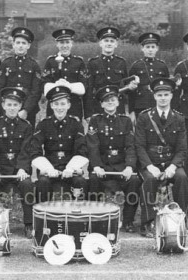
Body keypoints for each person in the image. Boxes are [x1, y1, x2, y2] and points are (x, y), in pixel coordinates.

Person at [135, 78, 188, 238]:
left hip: (171, 162)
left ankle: (181, 218)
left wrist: (173, 167)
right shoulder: (144, 117)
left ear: (172, 96)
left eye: (166, 94)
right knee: (149, 180)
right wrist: (150, 166)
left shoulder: (179, 118)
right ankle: (148, 222)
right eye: (159, 95)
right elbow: (139, 146)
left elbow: (181, 148)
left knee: (182, 177)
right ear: (154, 96)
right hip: (150, 162)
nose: (163, 98)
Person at [86, 85, 140, 233]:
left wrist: (129, 167)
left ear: (118, 102)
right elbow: (93, 146)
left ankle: (128, 221)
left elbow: (130, 146)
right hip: (102, 166)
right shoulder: (95, 121)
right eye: (106, 101)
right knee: (93, 180)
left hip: (121, 166)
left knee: (134, 181)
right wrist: (96, 166)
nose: (110, 103)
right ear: (101, 104)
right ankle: (94, 219)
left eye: (113, 100)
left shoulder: (126, 121)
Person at [0, 87, 34, 239]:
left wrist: (22, 169)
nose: (12, 108)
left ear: (20, 106)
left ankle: (29, 224)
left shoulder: (26, 126)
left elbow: (25, 150)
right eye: (9, 104)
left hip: (17, 170)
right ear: (3, 105)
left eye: (15, 105)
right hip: (1, 169)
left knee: (27, 184)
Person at [31, 85, 88, 203]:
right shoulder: (43, 124)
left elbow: (81, 149)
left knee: (80, 182)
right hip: (51, 168)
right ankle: (43, 216)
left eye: (63, 104)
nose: (59, 108)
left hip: (70, 168)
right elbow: (35, 150)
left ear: (69, 105)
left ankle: (79, 216)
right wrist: (47, 169)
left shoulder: (76, 124)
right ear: (51, 105)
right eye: (56, 104)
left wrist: (71, 168)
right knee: (43, 182)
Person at [85, 27, 137, 119]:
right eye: (106, 41)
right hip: (99, 106)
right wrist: (88, 114)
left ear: (116, 44)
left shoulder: (121, 62)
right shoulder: (93, 63)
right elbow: (89, 90)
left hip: (118, 107)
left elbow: (125, 87)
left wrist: (131, 86)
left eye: (112, 41)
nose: (109, 43)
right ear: (100, 43)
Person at [0, 27, 41, 128]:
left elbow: (36, 91)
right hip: (9, 108)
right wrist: (5, 108)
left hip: (28, 111)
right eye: (18, 43)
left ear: (28, 45)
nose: (20, 46)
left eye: (24, 43)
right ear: (13, 44)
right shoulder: (6, 64)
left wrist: (25, 110)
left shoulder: (34, 66)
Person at [42, 28, 87, 120]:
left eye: (67, 42)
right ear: (57, 44)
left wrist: (69, 86)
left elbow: (84, 85)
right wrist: (56, 85)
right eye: (62, 43)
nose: (65, 45)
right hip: (54, 107)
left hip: (74, 107)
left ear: (71, 43)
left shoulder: (79, 62)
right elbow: (44, 84)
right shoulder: (51, 61)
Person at [129, 32, 169, 124]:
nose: (150, 50)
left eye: (153, 47)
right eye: (147, 47)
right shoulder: (136, 66)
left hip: (159, 103)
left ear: (157, 49)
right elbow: (131, 91)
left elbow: (168, 89)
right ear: (142, 48)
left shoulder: (162, 66)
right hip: (141, 104)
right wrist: (131, 111)